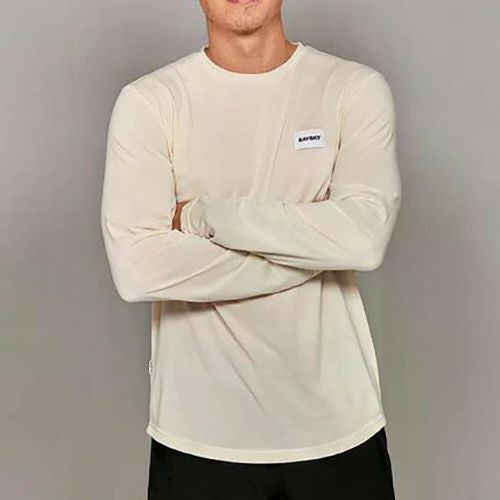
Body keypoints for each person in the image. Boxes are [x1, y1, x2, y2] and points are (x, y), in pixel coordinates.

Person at [100, 0, 402, 498]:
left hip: (339, 429)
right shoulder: (150, 103)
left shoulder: (352, 89)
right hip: (198, 436)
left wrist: (203, 216)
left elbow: (364, 241)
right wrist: (313, 249)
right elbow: (137, 270)